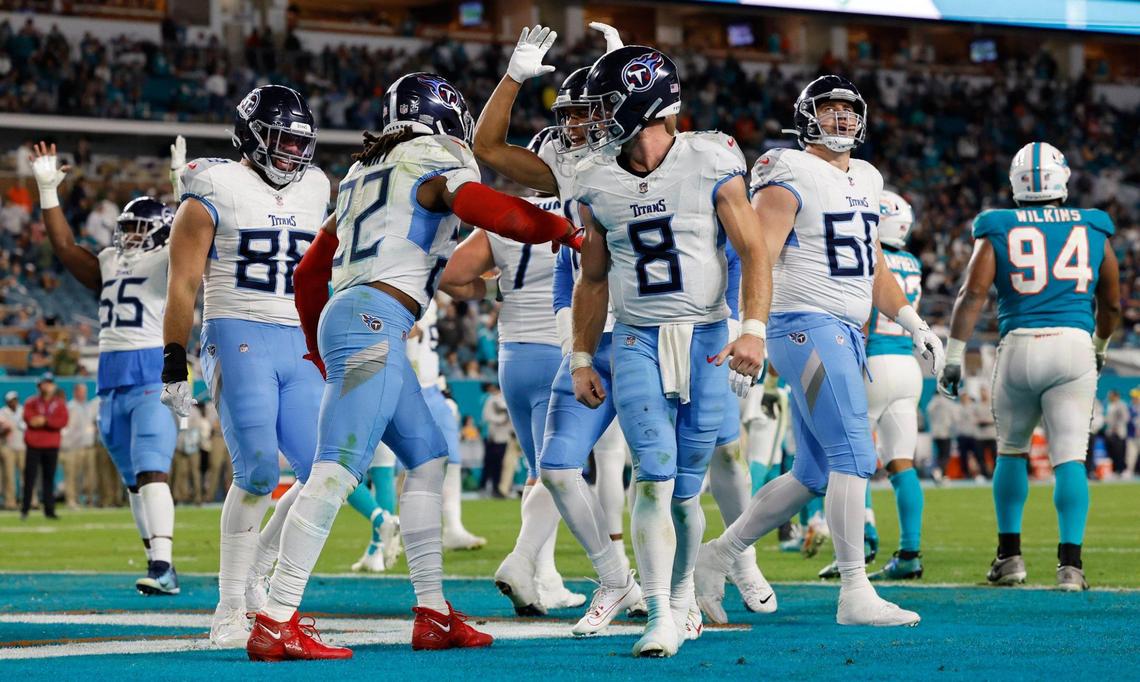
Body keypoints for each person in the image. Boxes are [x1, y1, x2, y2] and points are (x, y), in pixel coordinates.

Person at [246, 71, 579, 660]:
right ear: (446, 116)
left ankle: (431, 611)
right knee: (336, 469)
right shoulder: (435, 156)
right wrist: (562, 229)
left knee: (427, 458)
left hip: (360, 316)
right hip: (376, 315)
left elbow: (307, 274)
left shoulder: (361, 173)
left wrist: (318, 344)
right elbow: (495, 213)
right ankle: (275, 616)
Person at [695, 75, 944, 628]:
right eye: (828, 110)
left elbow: (872, 264)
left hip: (846, 330)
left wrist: (912, 321)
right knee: (856, 455)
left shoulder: (868, 177)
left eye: (847, 110)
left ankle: (718, 556)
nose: (840, 120)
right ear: (807, 116)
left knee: (812, 472)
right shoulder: (786, 169)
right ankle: (855, 591)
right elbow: (754, 252)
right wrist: (749, 329)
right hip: (804, 323)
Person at [568, 46, 770, 657]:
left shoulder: (711, 159)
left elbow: (756, 251)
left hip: (706, 336)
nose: (599, 117)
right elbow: (594, 277)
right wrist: (581, 356)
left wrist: (754, 327)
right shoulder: (594, 176)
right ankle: (659, 612)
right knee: (650, 475)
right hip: (635, 336)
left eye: (608, 103)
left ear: (643, 103)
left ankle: (682, 598)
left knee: (687, 487)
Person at [467, 24, 652, 629]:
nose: (575, 127)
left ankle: (707, 574)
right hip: (586, 328)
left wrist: (621, 60)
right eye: (567, 116)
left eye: (588, 113)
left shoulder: (640, 156)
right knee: (572, 463)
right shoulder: (568, 173)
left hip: (655, 318)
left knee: (672, 462)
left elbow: (656, 119)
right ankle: (625, 582)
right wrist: (516, 75)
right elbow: (489, 148)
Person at [161, 85, 330, 646]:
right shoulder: (213, 187)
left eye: (299, 143)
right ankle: (230, 606)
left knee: (324, 471)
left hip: (302, 336)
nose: (291, 154)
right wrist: (173, 362)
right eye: (280, 141)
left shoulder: (316, 186)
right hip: (238, 330)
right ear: (251, 137)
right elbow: (183, 282)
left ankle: (256, 568)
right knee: (258, 469)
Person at [938, 141, 1120, 591]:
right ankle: (1071, 566)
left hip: (1019, 345)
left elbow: (971, 295)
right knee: (1070, 458)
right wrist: (1100, 344)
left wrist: (955, 356)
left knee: (1011, 450)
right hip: (1075, 345)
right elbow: (1113, 301)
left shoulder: (998, 224)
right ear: (1063, 179)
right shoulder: (1093, 225)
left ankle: (1010, 557)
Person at [441, 130, 583, 613]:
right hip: (558, 351)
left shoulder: (503, 220)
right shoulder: (580, 208)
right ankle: (529, 566)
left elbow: (451, 276)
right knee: (562, 469)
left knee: (538, 472)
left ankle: (544, 576)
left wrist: (495, 293)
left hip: (512, 357)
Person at [31, 142, 180, 595]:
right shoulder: (112, 261)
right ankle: (153, 557)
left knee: (153, 470)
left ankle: (164, 565)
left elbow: (192, 233)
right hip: (111, 380)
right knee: (133, 481)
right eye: (127, 228)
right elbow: (63, 245)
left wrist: (181, 184)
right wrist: (46, 190)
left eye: (140, 229)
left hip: (151, 372)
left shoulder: (169, 260)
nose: (130, 237)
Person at [857, 190, 926, 580]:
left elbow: (866, 307)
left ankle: (863, 540)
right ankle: (910, 553)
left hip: (875, 359)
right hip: (907, 364)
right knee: (902, 464)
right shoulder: (912, 261)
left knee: (850, 459)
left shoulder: (872, 255)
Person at [21, 373, 68, 520]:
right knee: (29, 478)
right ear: (39, 385)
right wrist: (48, 421)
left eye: (49, 383)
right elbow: (30, 420)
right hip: (34, 445)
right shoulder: (31, 402)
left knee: (49, 479)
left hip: (51, 445)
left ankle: (50, 510)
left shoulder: (59, 403)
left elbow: (62, 422)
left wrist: (45, 421)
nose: (47, 386)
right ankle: (25, 509)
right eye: (44, 383)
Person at [61, 383, 98, 510]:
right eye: (81, 391)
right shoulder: (70, 407)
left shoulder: (89, 406)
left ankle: (89, 500)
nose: (83, 394)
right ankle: (71, 500)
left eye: (85, 391)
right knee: (73, 476)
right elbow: (68, 428)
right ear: (75, 392)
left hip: (89, 446)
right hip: (75, 447)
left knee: (90, 477)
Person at [480, 383, 511, 498]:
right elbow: (487, 416)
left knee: (500, 464)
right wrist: (500, 420)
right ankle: (483, 486)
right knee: (489, 463)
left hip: (504, 437)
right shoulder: (491, 399)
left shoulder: (507, 399)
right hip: (492, 437)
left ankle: (497, 488)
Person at [0, 390, 24, 510]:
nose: (13, 403)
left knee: (26, 475)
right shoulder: (2, 413)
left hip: (22, 446)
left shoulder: (23, 410)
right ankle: (10, 502)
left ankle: (30, 500)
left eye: (15, 400)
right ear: (7, 402)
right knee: (9, 476)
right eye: (11, 401)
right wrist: (4, 431)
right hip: (8, 447)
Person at [1104, 390, 1128, 474]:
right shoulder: (1109, 405)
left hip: (1119, 433)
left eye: (1111, 395)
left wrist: (1116, 426)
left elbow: (1125, 417)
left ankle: (1121, 470)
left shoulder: (1122, 404)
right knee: (1111, 452)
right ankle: (1114, 470)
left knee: (1119, 452)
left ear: (1116, 396)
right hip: (1110, 433)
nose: (1109, 397)